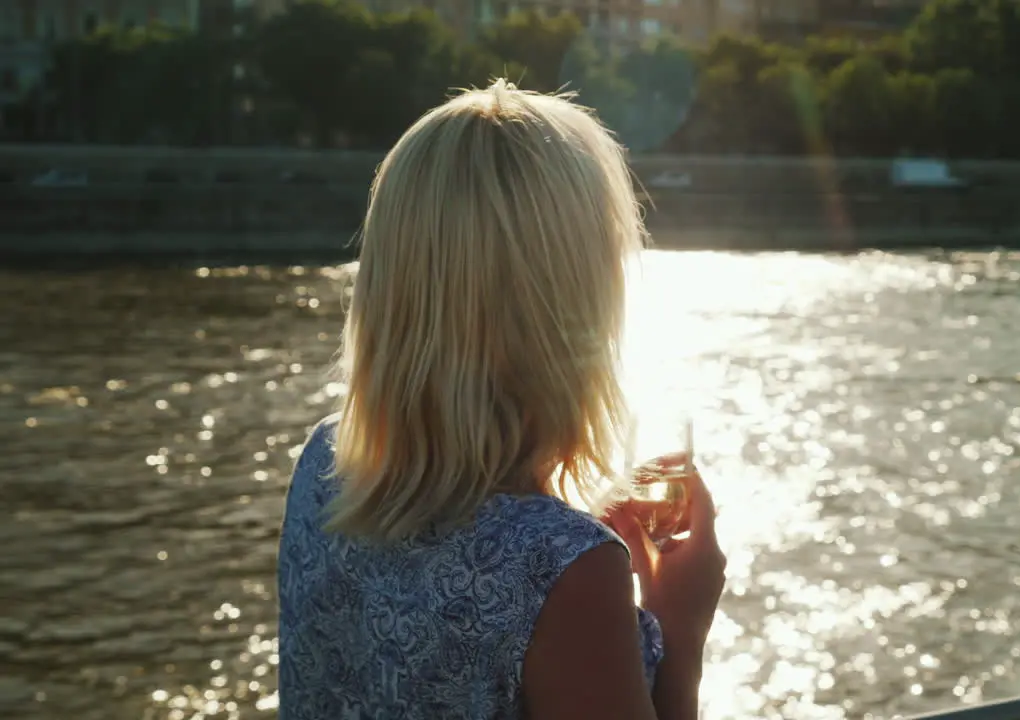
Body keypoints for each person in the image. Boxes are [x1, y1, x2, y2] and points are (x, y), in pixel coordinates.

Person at [277, 80, 727, 720]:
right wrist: (680, 635)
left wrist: (566, 536)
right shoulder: (573, 576)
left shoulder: (323, 466)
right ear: (579, 299)